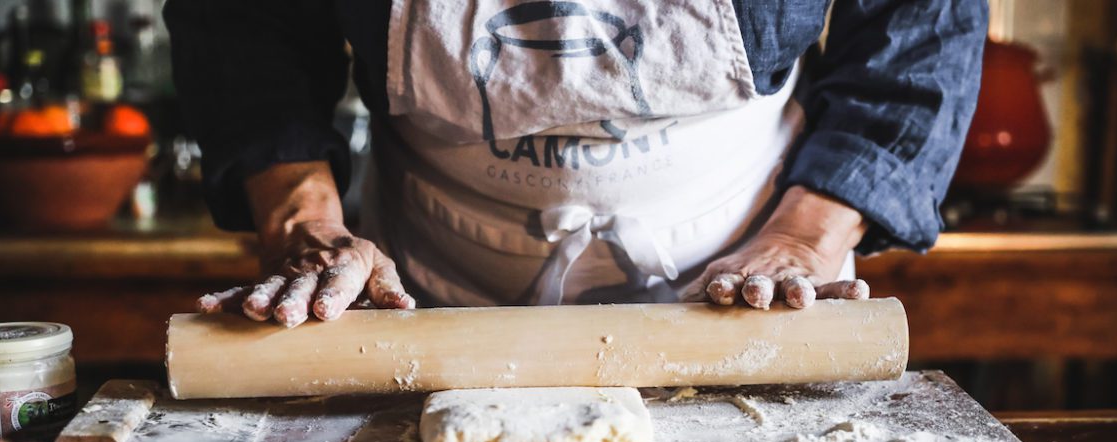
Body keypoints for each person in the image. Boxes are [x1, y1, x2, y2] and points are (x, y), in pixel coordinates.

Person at [164, 0, 987, 327]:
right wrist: (306, 224)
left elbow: (918, 28)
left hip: (748, 280)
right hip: (417, 290)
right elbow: (245, 26)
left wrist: (807, 237)